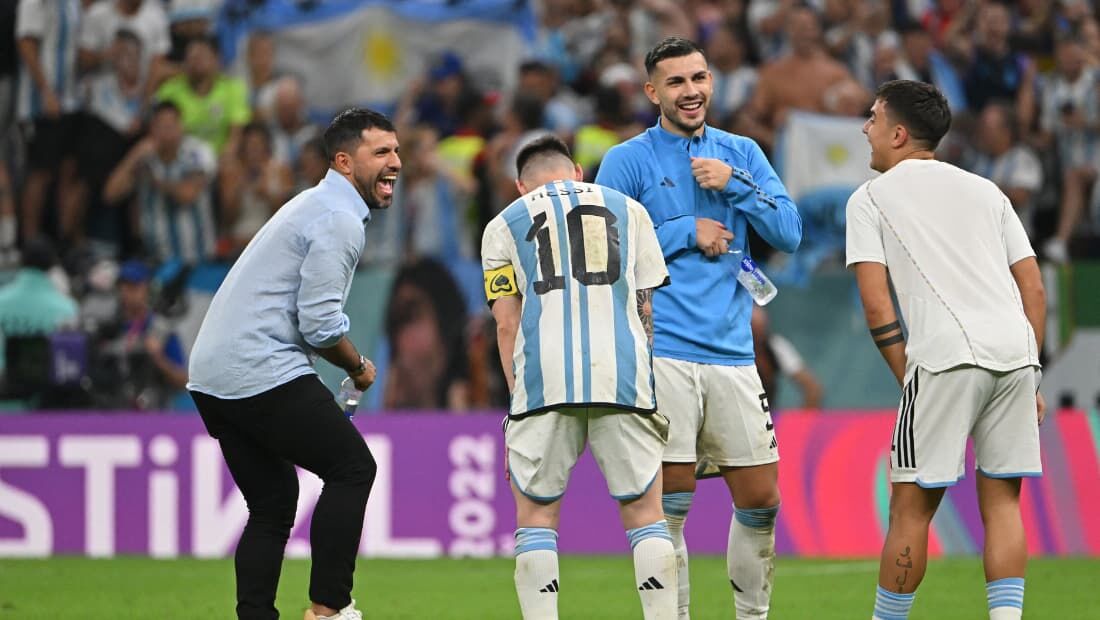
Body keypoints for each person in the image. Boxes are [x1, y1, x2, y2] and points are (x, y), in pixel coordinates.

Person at [595, 37, 802, 620]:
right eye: (677, 82)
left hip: (734, 353)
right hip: (664, 353)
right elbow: (605, 254)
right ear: (651, 91)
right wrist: (687, 228)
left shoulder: (742, 152)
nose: (691, 92)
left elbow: (789, 231)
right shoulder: (627, 160)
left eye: (699, 78)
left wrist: (734, 183)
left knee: (762, 501)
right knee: (671, 506)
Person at [186, 108, 401, 620]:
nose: (396, 162)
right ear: (345, 162)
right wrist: (358, 366)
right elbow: (320, 327)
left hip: (213, 377)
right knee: (352, 468)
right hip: (258, 366)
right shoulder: (338, 218)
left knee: (274, 503)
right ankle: (329, 607)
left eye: (396, 150)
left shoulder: (314, 203)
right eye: (381, 153)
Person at [846, 80, 1045, 620]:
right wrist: (1034, 374)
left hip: (944, 357)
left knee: (911, 507)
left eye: (873, 118)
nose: (866, 128)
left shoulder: (869, 198)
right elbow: (1034, 287)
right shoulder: (987, 190)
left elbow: (876, 305)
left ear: (899, 133)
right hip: (1014, 354)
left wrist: (905, 373)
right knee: (1003, 501)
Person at [483, 135, 675, 619]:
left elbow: (506, 323)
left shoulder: (503, 223)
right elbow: (644, 305)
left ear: (520, 186)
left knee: (537, 518)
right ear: (578, 174)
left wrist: (517, 395)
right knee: (646, 515)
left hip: (542, 378)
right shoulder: (630, 210)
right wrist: (639, 370)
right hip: (623, 373)